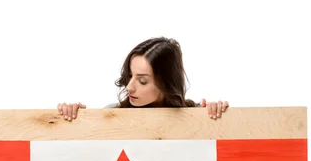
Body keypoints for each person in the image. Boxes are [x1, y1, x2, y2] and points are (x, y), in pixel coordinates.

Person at [57, 37, 229, 120]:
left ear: (166, 83)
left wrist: (218, 114)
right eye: (130, 76)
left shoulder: (196, 114)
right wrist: (74, 117)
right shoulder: (112, 113)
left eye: (142, 81)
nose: (130, 87)